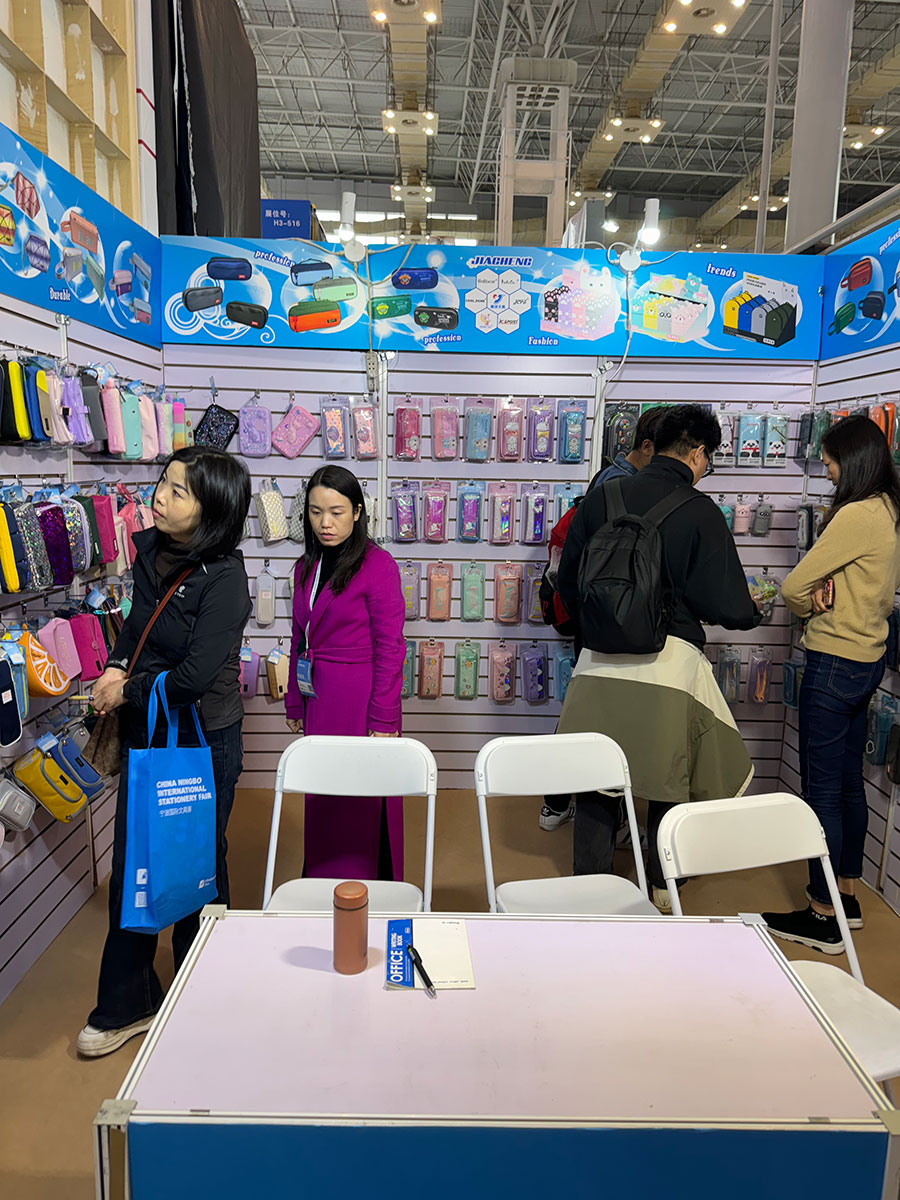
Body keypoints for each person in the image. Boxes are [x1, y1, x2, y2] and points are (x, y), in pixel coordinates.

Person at [77, 447, 251, 1057]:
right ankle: (127, 1003)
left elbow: (196, 677)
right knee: (140, 862)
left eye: (179, 491)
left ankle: (204, 990)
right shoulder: (151, 549)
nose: (160, 497)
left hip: (203, 740)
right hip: (149, 730)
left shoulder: (225, 579)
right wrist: (116, 663)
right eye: (164, 483)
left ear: (213, 510)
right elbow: (137, 625)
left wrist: (127, 688)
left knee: (199, 863)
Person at [556, 404, 761, 907]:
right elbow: (727, 605)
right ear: (698, 453)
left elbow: (568, 583)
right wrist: (752, 611)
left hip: (598, 662)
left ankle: (589, 886)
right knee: (671, 774)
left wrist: (604, 629)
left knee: (596, 777)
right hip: (669, 666)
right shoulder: (700, 511)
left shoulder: (602, 497)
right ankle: (661, 885)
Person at [763, 416, 900, 953]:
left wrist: (808, 601)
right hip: (867, 660)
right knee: (847, 784)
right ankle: (846, 897)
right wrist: (828, 588)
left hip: (834, 660)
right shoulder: (888, 509)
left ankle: (822, 916)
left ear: (852, 461)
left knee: (821, 790)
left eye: (830, 463)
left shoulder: (856, 514)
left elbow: (793, 586)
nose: (827, 472)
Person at [540, 405, 668, 833]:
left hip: (601, 619)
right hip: (611, 621)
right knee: (600, 719)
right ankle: (591, 810)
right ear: (646, 447)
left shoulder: (609, 481)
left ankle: (562, 802)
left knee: (587, 713)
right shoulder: (621, 487)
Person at [285, 464, 405, 880]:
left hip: (361, 700)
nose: (325, 523)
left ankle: (370, 883)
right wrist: (294, 700)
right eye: (316, 512)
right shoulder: (306, 566)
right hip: (319, 698)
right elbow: (299, 636)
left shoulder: (378, 565)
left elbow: (391, 646)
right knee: (323, 794)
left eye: (336, 512)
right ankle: (323, 879)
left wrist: (384, 718)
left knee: (363, 796)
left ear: (357, 512)